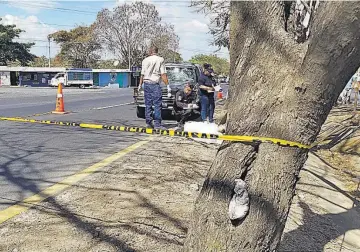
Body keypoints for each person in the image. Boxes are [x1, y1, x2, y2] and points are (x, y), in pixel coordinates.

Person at [138, 46, 170, 129]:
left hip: (146, 83)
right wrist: (167, 85)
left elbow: (142, 74)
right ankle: (157, 124)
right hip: (155, 84)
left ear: (150, 51)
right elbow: (163, 74)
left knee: (148, 104)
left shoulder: (145, 60)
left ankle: (148, 123)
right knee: (157, 105)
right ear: (157, 51)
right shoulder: (160, 60)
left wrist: (140, 85)